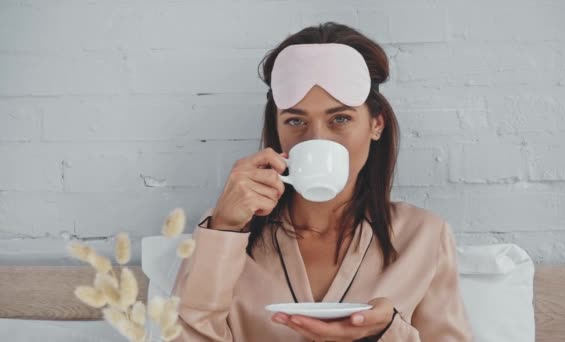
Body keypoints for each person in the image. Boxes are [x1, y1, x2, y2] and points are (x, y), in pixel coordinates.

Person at [171, 22, 473, 342]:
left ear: (376, 124)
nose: (316, 138)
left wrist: (385, 333)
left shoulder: (423, 235)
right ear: (277, 128)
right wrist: (224, 231)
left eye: (340, 119)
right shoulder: (228, 232)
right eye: (296, 120)